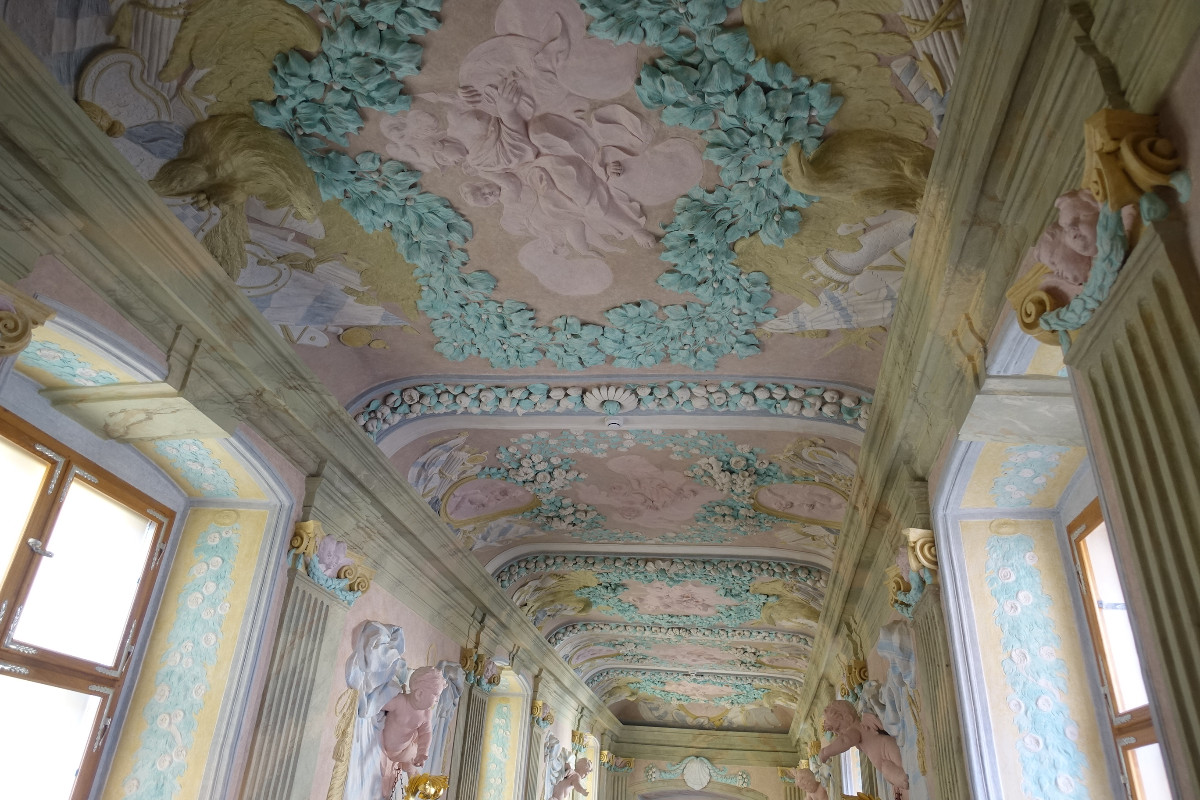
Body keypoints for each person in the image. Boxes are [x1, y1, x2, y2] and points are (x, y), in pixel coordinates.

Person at [380, 666, 448, 794]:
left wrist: (423, 752)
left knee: (415, 745)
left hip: (404, 746)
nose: (437, 700)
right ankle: (414, 777)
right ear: (419, 694)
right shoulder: (400, 701)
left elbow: (427, 733)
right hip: (396, 751)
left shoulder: (426, 714)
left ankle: (415, 775)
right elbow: (379, 703)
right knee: (412, 757)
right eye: (436, 695)